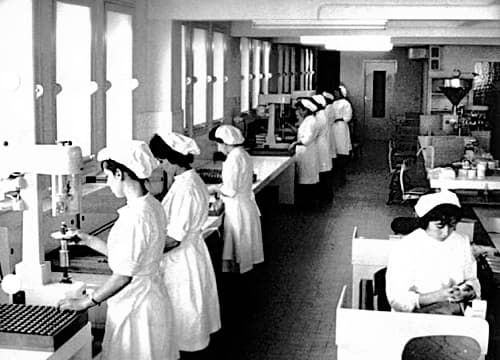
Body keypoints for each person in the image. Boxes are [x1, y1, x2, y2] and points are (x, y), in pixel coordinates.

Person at [57, 141, 178, 360]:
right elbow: (131, 258)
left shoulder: (135, 217)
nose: (109, 183)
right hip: (150, 297)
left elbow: (123, 276)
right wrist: (89, 240)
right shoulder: (151, 204)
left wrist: (85, 302)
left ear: (120, 174)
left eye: (109, 177)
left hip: (136, 306)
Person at [148, 132, 221, 353]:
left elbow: (174, 239)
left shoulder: (186, 188)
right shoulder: (188, 179)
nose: (161, 166)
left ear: (172, 160)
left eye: (161, 161)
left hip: (182, 261)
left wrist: (145, 254)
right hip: (190, 254)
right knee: (190, 312)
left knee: (185, 315)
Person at [386, 190, 480, 314]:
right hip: (416, 317)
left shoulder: (461, 241)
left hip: (454, 315)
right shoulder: (406, 247)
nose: (446, 232)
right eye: (439, 226)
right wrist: (437, 296)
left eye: (452, 226)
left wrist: (468, 291)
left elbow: (472, 279)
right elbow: (396, 299)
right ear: (425, 222)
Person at [208, 125, 263, 273]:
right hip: (245, 204)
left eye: (218, 144)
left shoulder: (232, 159)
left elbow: (230, 190)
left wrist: (213, 189)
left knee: (237, 250)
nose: (218, 147)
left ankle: (238, 284)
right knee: (243, 249)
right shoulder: (243, 154)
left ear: (226, 143)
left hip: (237, 209)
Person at [289, 98, 320, 203]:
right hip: (305, 153)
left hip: (307, 153)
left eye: (299, 110)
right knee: (306, 177)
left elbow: (306, 139)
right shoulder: (309, 120)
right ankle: (307, 201)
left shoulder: (311, 121)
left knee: (307, 178)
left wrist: (294, 143)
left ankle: (307, 203)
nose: (297, 112)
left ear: (306, 110)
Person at [311, 94, 333, 200]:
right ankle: (326, 195)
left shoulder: (319, 116)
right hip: (323, 143)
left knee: (323, 171)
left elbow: (313, 133)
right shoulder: (322, 113)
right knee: (324, 170)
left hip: (320, 145)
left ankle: (324, 196)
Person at [330, 86, 353, 185]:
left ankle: (341, 174)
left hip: (341, 127)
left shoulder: (346, 103)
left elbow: (348, 117)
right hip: (334, 128)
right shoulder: (334, 103)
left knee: (341, 148)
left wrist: (339, 119)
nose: (335, 95)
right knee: (335, 149)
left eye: (337, 93)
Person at [322, 91, 338, 167]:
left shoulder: (328, 109)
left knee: (328, 147)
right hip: (329, 129)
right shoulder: (331, 107)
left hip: (327, 129)